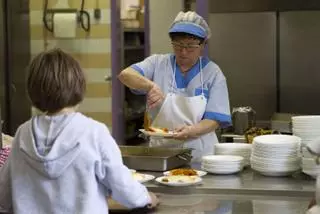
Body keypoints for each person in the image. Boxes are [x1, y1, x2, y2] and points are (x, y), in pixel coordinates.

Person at [0, 49, 158, 214]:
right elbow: (123, 186)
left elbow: (3, 196)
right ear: (79, 85)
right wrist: (146, 197)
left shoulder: (22, 134)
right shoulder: (94, 132)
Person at [118, 11, 232, 162]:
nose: (183, 52)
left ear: (203, 45)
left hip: (200, 154)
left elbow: (214, 119)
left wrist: (191, 131)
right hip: (161, 154)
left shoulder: (213, 73)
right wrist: (150, 86)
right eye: (178, 45)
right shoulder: (158, 63)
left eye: (190, 46)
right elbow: (126, 75)